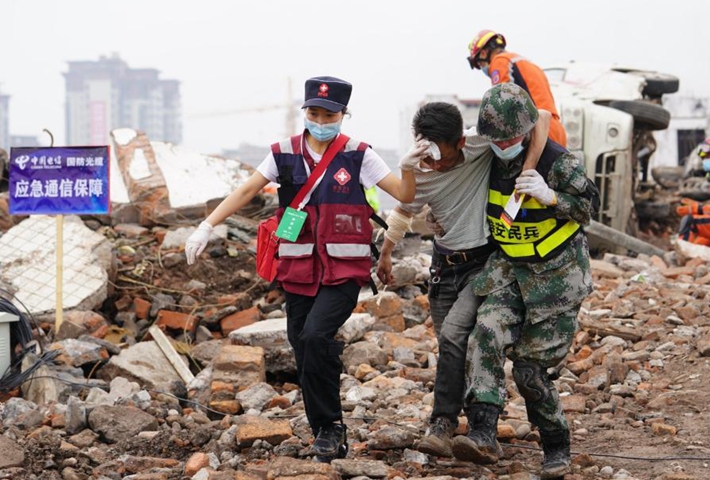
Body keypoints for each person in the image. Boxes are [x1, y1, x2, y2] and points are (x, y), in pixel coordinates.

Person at [184, 76, 423, 462]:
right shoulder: (283, 153)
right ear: (305, 112)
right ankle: (324, 430)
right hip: (298, 270)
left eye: (328, 113)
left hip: (344, 273)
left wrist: (409, 168)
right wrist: (207, 225)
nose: (320, 119)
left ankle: (330, 427)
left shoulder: (360, 155)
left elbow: (405, 195)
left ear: (343, 115)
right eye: (313, 112)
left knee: (314, 337)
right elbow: (247, 190)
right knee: (304, 347)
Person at [376, 102, 551, 458]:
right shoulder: (417, 170)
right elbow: (402, 209)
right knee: (451, 346)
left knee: (459, 335)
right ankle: (471, 427)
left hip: (481, 262)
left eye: (441, 156)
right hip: (443, 266)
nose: (435, 165)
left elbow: (543, 117)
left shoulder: (479, 143)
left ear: (460, 142)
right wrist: (385, 253)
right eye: (428, 155)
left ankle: (443, 423)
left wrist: (528, 173)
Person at [451, 83, 598, 479]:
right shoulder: (489, 159)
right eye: (495, 139)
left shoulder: (558, 163)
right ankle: (482, 432)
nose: (503, 145)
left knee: (530, 370)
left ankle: (555, 444)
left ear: (526, 129)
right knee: (486, 333)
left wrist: (553, 197)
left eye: (511, 138)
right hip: (509, 271)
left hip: (556, 277)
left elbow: (588, 209)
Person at [466, 29, 567, 147]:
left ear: (483, 54)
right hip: (555, 129)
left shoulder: (500, 61)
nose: (482, 68)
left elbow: (501, 105)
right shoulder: (526, 64)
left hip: (538, 131)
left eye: (479, 64)